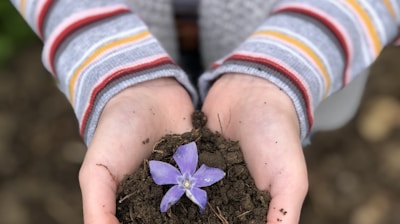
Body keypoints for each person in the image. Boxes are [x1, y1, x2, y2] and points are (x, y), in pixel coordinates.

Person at [10, 0, 400, 223]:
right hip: (115, 47)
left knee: (273, 144)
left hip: (313, 60)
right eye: (185, 186)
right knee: (267, 145)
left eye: (184, 186)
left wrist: (286, 69)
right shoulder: (181, 182)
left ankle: (282, 155)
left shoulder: (197, 179)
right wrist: (115, 69)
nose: (184, 187)